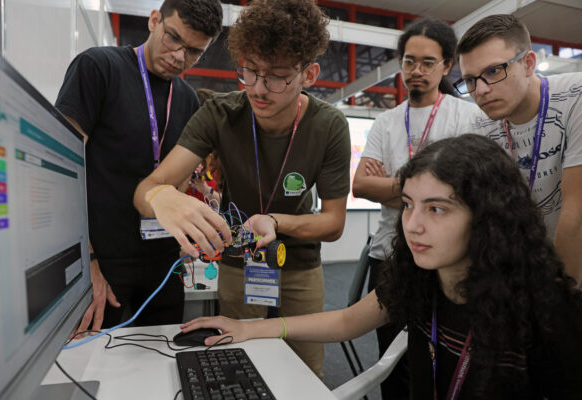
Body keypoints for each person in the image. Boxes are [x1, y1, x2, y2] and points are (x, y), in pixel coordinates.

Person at [181, 134, 582, 399]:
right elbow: (345, 323)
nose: (413, 225)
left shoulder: (547, 309)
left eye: (437, 209)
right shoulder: (420, 277)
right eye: (407, 205)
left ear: (487, 217)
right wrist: (248, 329)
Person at [134, 0, 350, 377]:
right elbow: (148, 188)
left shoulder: (328, 125)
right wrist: (163, 197)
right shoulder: (220, 112)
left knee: (305, 371)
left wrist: (275, 222)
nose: (259, 89)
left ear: (309, 74)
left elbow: (333, 224)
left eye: (277, 77)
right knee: (236, 364)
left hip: (298, 264)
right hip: (238, 263)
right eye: (249, 72)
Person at [55, 0, 224, 335]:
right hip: (103, 260)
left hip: (162, 264)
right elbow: (61, 169)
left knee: (163, 360)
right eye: (173, 38)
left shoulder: (189, 100)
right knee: (94, 364)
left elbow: (173, 181)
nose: (179, 56)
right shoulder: (98, 68)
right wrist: (86, 263)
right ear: (154, 20)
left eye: (194, 52)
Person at [352, 17, 480, 399]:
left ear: (446, 65)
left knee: (439, 362)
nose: (416, 71)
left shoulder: (466, 116)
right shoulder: (386, 122)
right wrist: (429, 191)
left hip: (446, 260)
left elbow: (465, 191)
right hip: (389, 255)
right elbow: (360, 185)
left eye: (427, 62)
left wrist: (391, 186)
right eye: (409, 61)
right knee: (390, 366)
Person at [455, 14, 582, 284]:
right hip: (524, 275)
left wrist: (559, 299)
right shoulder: (477, 125)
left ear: (528, 63)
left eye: (492, 72)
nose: (481, 90)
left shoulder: (576, 97)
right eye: (470, 80)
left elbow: (577, 214)